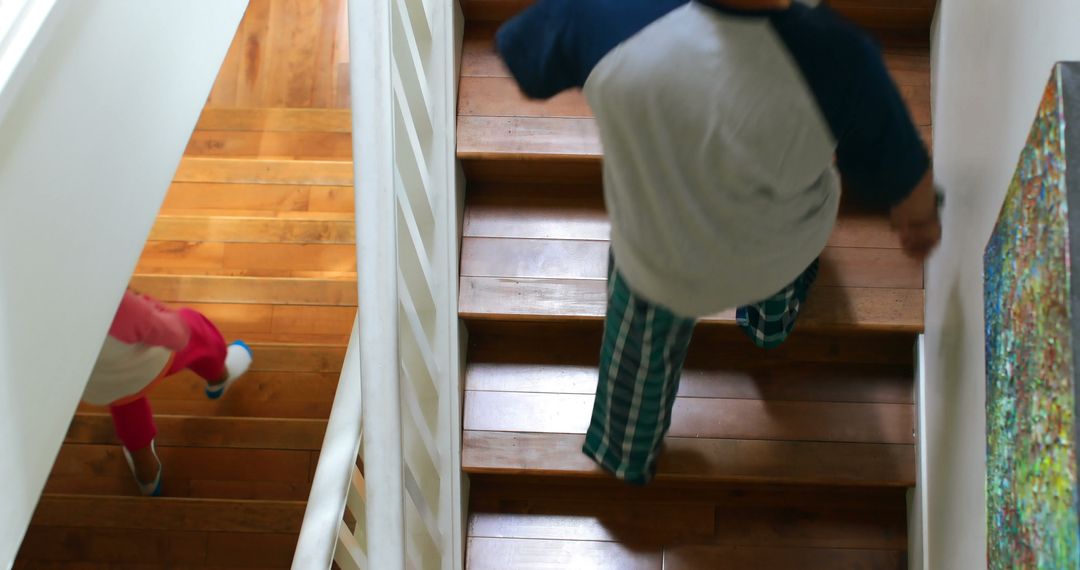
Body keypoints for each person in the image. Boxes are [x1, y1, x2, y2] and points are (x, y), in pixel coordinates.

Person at [495, 0, 942, 484]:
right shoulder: (842, 57)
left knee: (638, 356)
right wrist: (920, 227)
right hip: (780, 249)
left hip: (658, 262)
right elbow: (908, 187)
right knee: (780, 277)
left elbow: (524, 58)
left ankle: (625, 447)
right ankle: (770, 327)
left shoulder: (599, 14)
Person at [82, 289, 253, 495]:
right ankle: (219, 378)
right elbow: (177, 335)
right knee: (197, 329)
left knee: (128, 410)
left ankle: (147, 475)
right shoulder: (111, 303)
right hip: (145, 363)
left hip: (98, 381)